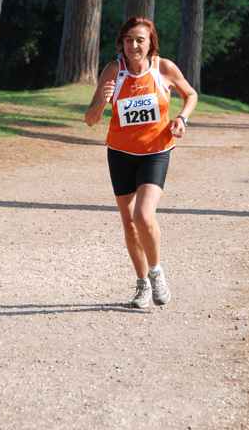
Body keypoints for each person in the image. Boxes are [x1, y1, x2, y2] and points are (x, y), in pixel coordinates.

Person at [85, 16, 198, 308]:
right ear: (121, 43)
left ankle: (156, 271)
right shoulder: (114, 70)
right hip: (120, 153)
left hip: (155, 152)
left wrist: (182, 118)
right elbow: (90, 120)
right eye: (128, 40)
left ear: (150, 44)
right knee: (129, 222)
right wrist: (102, 100)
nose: (134, 45)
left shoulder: (164, 68)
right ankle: (142, 285)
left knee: (144, 216)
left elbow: (191, 94)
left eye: (140, 40)